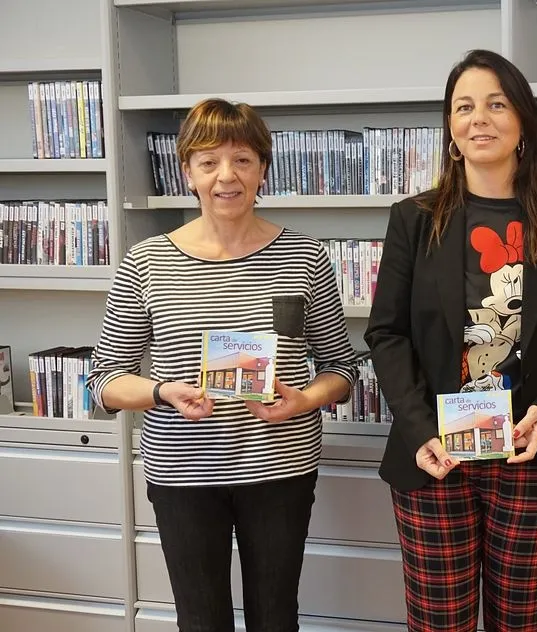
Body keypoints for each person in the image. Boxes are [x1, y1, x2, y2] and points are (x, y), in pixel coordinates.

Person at [364, 49, 537, 632]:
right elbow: (386, 333)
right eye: (464, 107)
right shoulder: (414, 218)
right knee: (437, 623)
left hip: (535, 453)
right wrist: (418, 427)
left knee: (523, 622)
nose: (479, 118)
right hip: (436, 456)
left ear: (523, 122)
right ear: (451, 130)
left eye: (496, 104)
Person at [86, 98, 357, 632]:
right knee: (201, 619)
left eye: (242, 160)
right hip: (182, 472)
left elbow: (342, 371)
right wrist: (164, 391)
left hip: (281, 468)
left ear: (262, 169)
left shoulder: (306, 256)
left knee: (276, 617)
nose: (225, 176)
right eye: (208, 162)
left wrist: (305, 399)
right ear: (187, 172)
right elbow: (104, 381)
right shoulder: (148, 261)